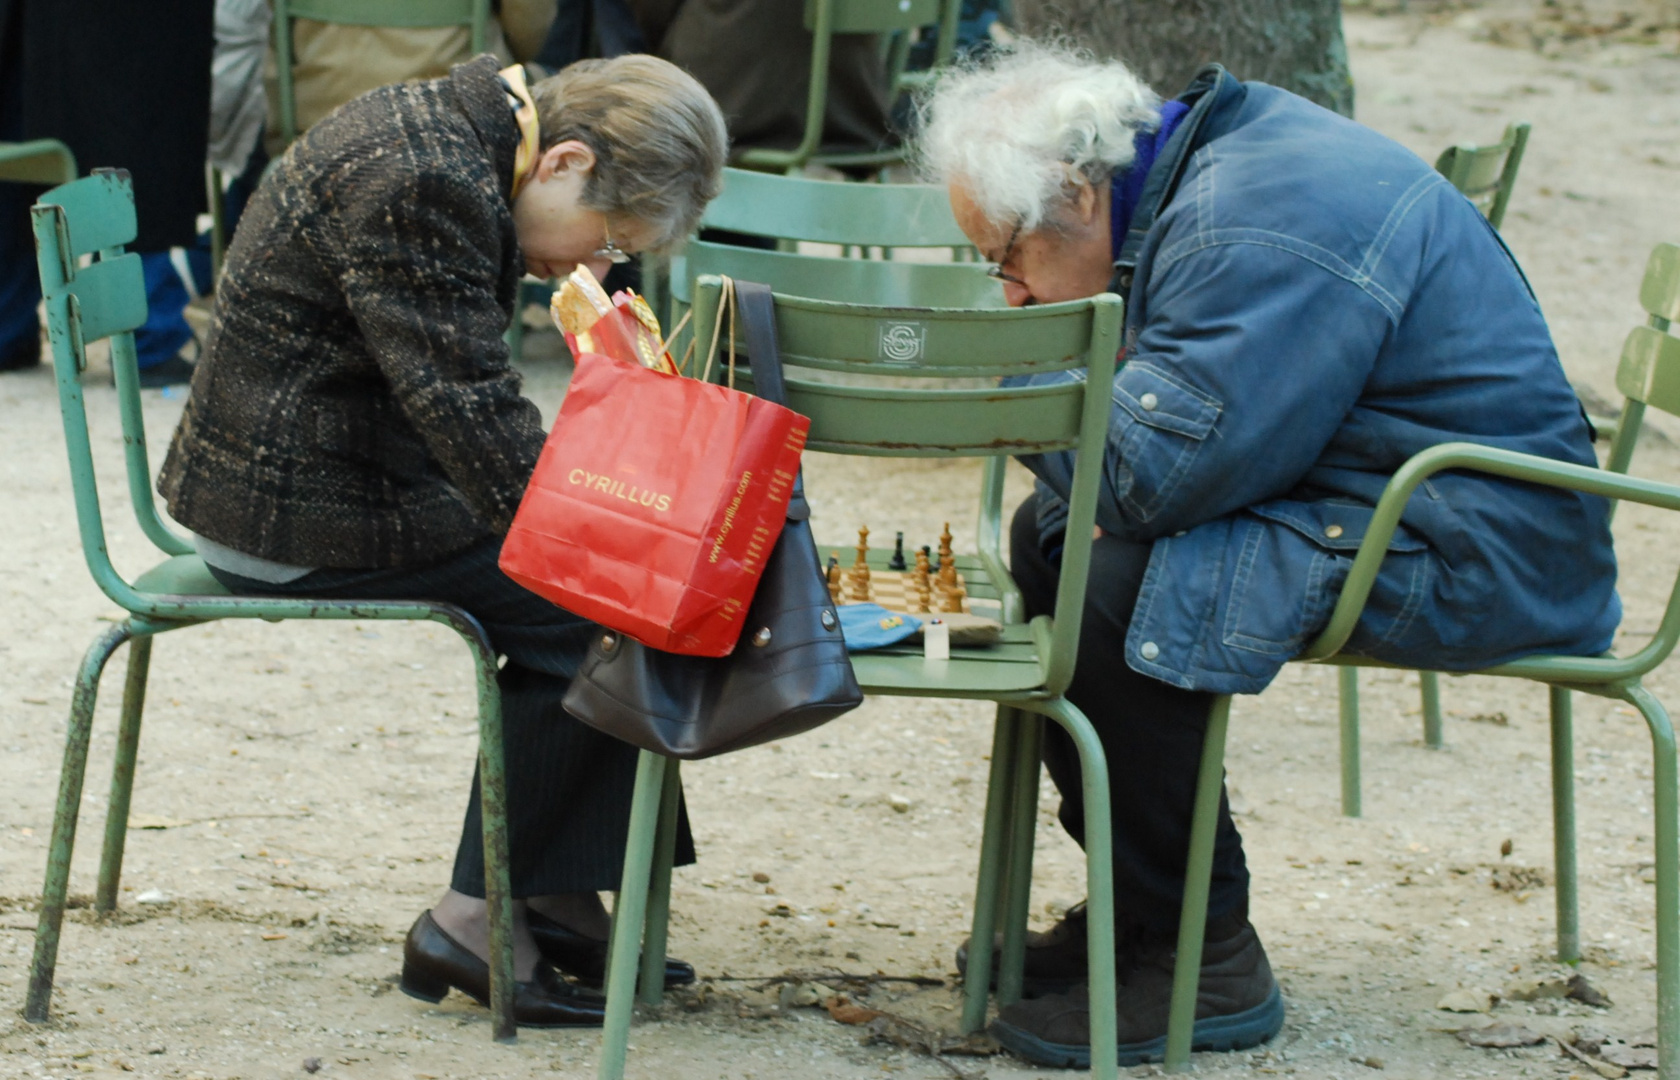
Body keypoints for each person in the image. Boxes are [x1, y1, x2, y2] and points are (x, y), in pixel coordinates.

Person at [916, 42, 1619, 1067]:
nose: (1011, 293)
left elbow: (1151, 481)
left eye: (1008, 259)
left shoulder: (1251, 217)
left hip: (1478, 541)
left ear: (1077, 191)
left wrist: (1022, 390)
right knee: (1057, 542)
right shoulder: (1206, 173)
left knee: (1115, 584)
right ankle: (1140, 909)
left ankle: (1201, 957)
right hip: (1389, 495)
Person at [157, 53, 729, 1027]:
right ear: (568, 162)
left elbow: (464, 413)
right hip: (294, 506)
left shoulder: (465, 138)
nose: (592, 270)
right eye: (607, 239)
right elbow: (467, 411)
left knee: (619, 583)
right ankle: (472, 919)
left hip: (330, 469)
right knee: (601, 608)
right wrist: (609, 531)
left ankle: (551, 890)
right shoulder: (427, 178)